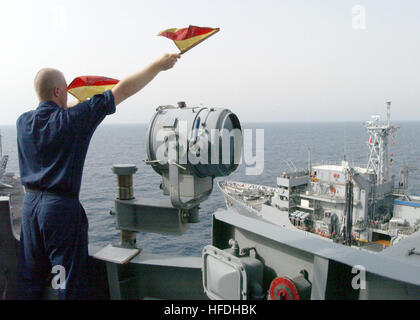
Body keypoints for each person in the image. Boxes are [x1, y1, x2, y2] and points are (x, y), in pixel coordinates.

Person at [16, 53, 180, 299]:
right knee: (65, 279)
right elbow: (122, 90)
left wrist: (70, 102)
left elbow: (55, 112)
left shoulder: (22, 122)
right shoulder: (73, 121)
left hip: (30, 210)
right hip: (58, 211)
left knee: (31, 277)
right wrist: (159, 65)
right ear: (59, 91)